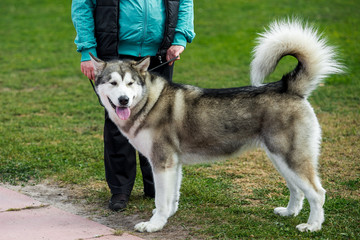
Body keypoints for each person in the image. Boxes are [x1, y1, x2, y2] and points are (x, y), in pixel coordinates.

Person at [71, 0, 195, 211]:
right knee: (120, 122)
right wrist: (87, 50)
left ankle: (156, 185)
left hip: (158, 56)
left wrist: (180, 37)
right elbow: (82, 5)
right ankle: (120, 189)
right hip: (115, 53)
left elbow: (184, 2)